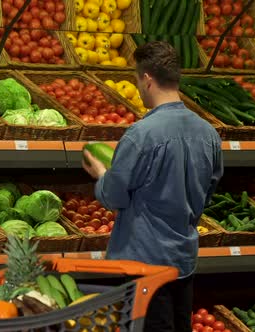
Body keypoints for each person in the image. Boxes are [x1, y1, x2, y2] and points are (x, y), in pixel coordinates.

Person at [82, 41, 223, 332]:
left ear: (147, 79)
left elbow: (114, 196)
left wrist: (101, 174)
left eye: (136, 79)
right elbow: (209, 188)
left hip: (143, 264)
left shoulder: (141, 135)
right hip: (183, 260)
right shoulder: (208, 134)